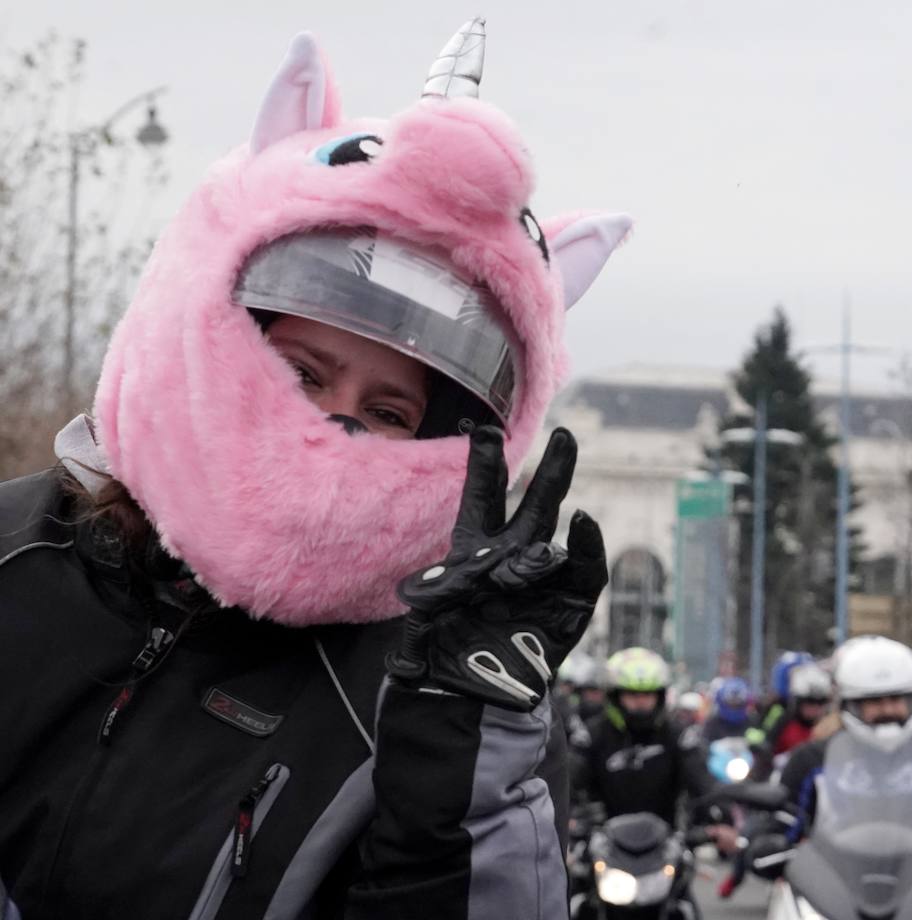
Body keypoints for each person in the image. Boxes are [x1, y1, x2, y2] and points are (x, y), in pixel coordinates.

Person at [0, 20, 632, 920]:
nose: (336, 427)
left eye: (386, 413)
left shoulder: (419, 692)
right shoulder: (19, 555)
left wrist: (463, 763)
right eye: (301, 373)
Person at [776, 637, 912, 842]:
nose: (887, 709)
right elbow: (782, 819)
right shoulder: (812, 759)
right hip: (835, 873)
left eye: (896, 699)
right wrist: (769, 841)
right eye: (874, 701)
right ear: (850, 704)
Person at [570, 647, 736, 851]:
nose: (641, 702)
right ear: (615, 696)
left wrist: (723, 820)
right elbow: (568, 780)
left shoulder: (678, 735)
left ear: (660, 696)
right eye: (632, 695)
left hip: (665, 845)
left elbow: (702, 781)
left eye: (648, 695)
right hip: (602, 844)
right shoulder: (591, 735)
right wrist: (564, 819)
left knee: (683, 877)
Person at [703, 676, 756, 742]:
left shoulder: (751, 722)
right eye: (730, 705)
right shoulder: (713, 723)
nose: (734, 708)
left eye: (737, 705)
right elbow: (704, 742)